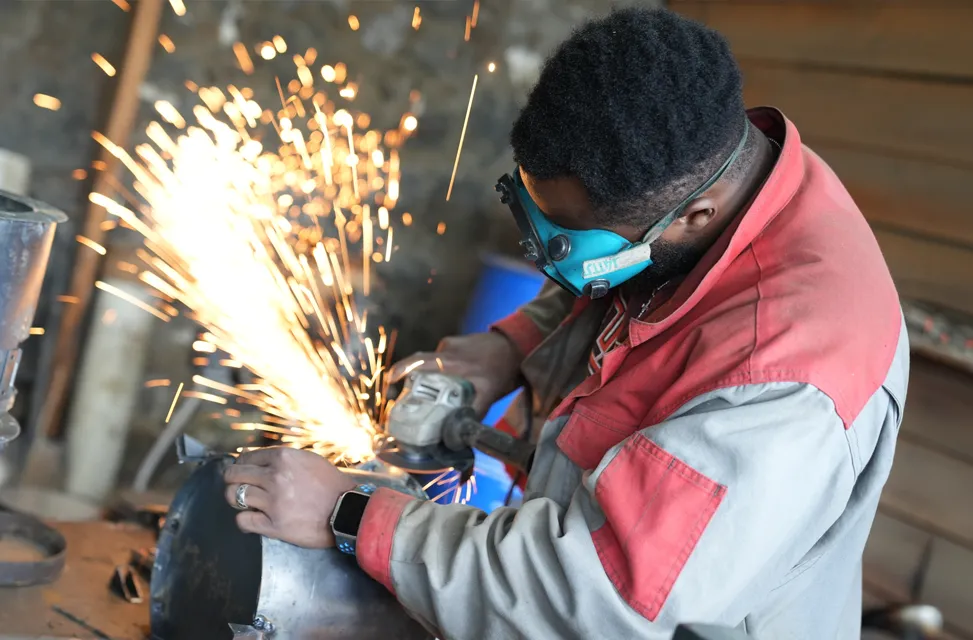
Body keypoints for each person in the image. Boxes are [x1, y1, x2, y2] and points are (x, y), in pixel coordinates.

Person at [222, 7, 908, 639]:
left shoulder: (781, 388)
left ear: (696, 213)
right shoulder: (716, 179)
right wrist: (510, 348)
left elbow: (592, 597)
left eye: (571, 243)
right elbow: (621, 281)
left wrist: (349, 512)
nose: (555, 265)